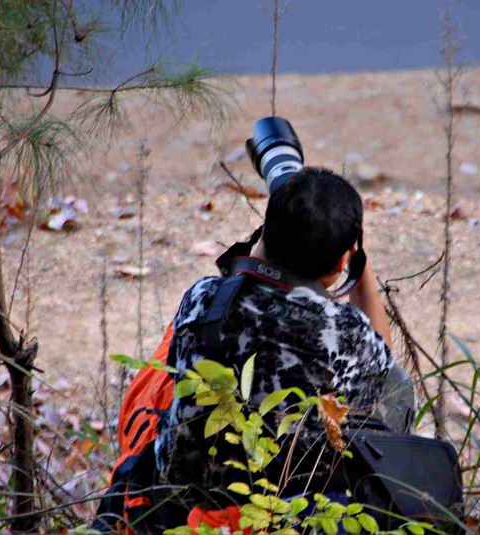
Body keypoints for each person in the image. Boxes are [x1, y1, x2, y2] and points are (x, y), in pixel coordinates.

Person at [154, 166, 414, 508]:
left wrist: (274, 237)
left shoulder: (203, 297)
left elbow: (251, 277)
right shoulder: (346, 331)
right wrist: (360, 263)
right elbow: (387, 380)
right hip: (291, 512)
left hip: (187, 503)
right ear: (340, 264)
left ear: (266, 236)